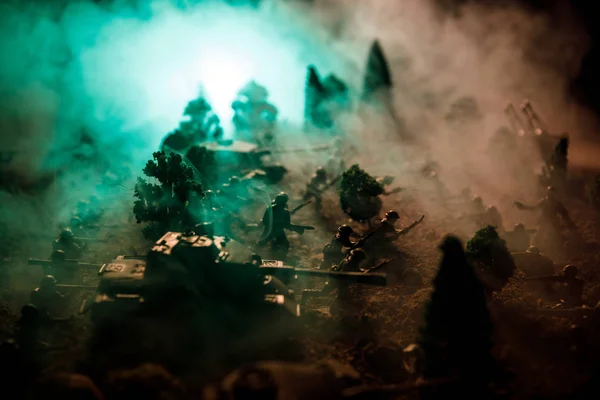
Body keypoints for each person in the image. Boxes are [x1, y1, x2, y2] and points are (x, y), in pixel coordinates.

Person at [515, 186, 576, 251]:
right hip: (544, 223)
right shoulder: (543, 202)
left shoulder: (556, 203)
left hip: (553, 223)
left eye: (552, 193)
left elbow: (565, 215)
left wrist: (571, 225)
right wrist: (523, 207)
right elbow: (533, 208)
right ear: (547, 193)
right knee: (536, 240)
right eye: (550, 193)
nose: (551, 195)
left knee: (559, 240)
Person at [258, 192, 312, 259]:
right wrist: (297, 228)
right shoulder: (279, 211)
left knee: (283, 244)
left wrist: (298, 227)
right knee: (262, 244)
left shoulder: (273, 210)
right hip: (272, 231)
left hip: (273, 231)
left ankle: (279, 259)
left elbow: (287, 225)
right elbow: (287, 225)